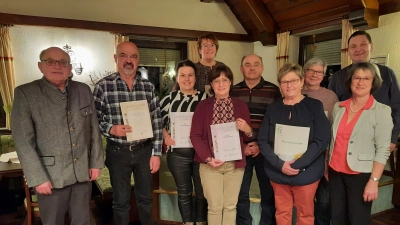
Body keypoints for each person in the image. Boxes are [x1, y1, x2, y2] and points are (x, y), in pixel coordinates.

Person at [11, 47, 104, 225]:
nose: (57, 66)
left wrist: (96, 162)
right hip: (50, 177)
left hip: (82, 173)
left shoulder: (83, 90)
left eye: (63, 62)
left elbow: (94, 129)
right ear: (40, 66)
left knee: (83, 221)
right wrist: (37, 178)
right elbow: (23, 141)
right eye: (50, 61)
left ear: (69, 68)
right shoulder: (26, 93)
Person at [93, 41, 162, 225]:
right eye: (124, 55)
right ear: (116, 58)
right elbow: (93, 121)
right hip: (118, 152)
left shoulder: (148, 87)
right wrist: (111, 129)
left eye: (133, 56)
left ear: (138, 60)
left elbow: (157, 120)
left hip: (144, 150)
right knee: (121, 202)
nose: (128, 60)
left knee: (146, 199)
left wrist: (156, 153)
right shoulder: (103, 87)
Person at [258, 63, 331, 225]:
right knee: (282, 213)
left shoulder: (314, 106)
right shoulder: (273, 108)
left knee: (305, 215)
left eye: (293, 80)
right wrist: (280, 164)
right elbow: (262, 140)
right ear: (280, 85)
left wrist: (298, 164)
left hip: (306, 173)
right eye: (284, 82)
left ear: (301, 81)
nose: (289, 85)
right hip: (278, 172)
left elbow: (322, 139)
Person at [328, 62, 392, 225]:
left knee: (357, 220)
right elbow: (332, 140)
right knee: (337, 218)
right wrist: (325, 166)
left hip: (361, 175)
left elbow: (383, 150)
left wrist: (374, 181)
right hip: (335, 172)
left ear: (373, 82)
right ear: (350, 81)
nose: (361, 82)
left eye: (366, 78)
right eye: (357, 78)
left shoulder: (382, 111)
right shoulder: (338, 107)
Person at [190, 64, 252, 225]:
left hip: (234, 165)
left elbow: (246, 138)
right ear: (211, 84)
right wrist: (208, 158)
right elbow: (195, 135)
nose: (221, 84)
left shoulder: (241, 106)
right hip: (210, 165)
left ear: (231, 82)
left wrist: (248, 129)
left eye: (225, 80)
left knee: (231, 207)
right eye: (216, 81)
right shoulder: (203, 106)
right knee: (215, 207)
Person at [328, 30, 400, 153]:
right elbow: (331, 109)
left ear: (371, 47)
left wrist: (393, 138)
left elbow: (397, 106)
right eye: (353, 46)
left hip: (376, 139)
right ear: (348, 50)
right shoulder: (337, 77)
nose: (358, 49)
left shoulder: (387, 73)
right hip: (343, 140)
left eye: (363, 44)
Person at [230, 54, 281, 225]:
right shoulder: (233, 91)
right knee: (240, 194)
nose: (252, 68)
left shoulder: (273, 90)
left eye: (256, 64)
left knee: (268, 194)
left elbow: (277, 123)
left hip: (265, 151)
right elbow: (228, 122)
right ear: (241, 68)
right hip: (240, 150)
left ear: (262, 67)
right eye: (247, 65)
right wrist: (242, 145)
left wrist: (260, 144)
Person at [160, 59, 208, 225]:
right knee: (184, 193)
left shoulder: (205, 98)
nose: (187, 79)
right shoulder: (169, 99)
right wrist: (165, 136)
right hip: (178, 155)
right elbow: (157, 122)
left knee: (202, 193)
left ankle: (201, 222)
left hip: (201, 155)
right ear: (177, 78)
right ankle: (188, 222)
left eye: (190, 75)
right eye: (183, 75)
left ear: (196, 77)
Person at [301, 58, 338, 225]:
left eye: (319, 72)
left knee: (323, 202)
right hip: (299, 154)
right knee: (303, 203)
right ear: (304, 71)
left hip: (323, 155)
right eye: (311, 70)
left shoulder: (330, 96)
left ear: (323, 75)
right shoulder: (294, 91)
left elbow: (335, 127)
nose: (315, 75)